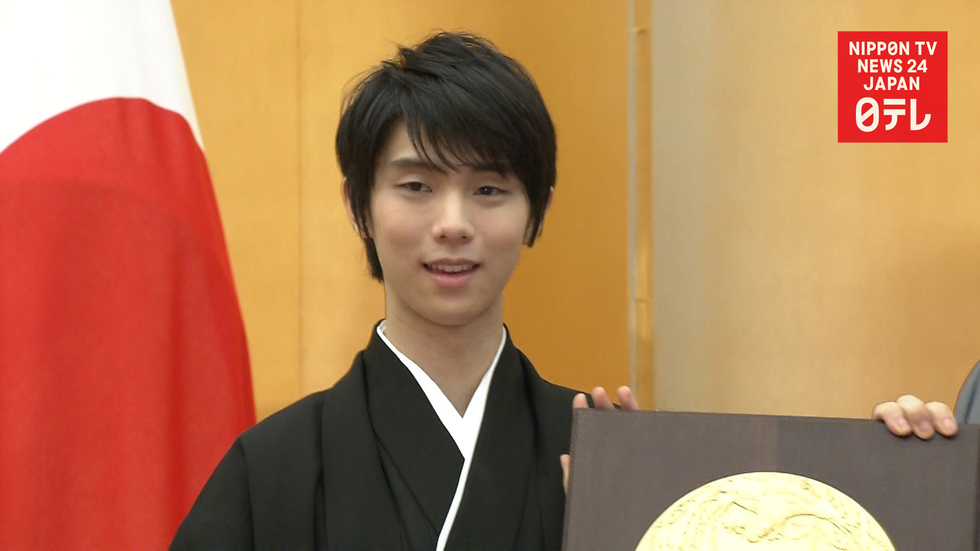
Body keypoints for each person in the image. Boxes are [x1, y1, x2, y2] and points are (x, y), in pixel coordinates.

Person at [170, 31, 947, 550]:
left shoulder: (613, 461)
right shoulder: (273, 469)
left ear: (536, 209)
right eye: (415, 186)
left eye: (489, 190)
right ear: (357, 206)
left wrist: (911, 476)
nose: (452, 224)